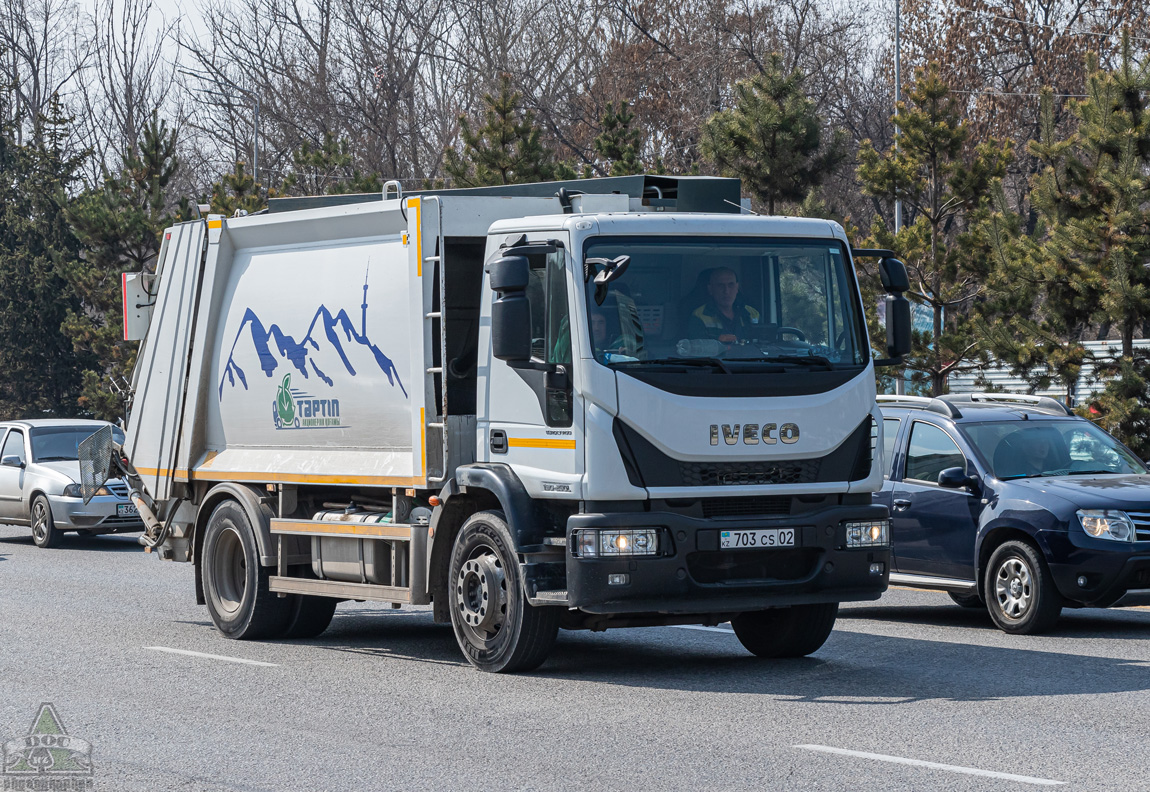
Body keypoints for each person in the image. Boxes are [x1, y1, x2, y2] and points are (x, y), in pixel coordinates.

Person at [685, 267, 761, 343]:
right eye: (720, 285)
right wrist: (718, 339)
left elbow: (764, 344)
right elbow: (697, 348)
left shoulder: (753, 314)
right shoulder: (699, 316)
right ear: (710, 289)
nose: (726, 291)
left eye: (731, 285)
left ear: (737, 287)